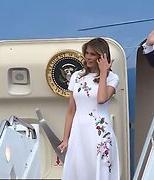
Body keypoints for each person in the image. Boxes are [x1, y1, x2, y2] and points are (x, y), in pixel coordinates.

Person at [58, 37, 120, 180]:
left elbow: (101, 99)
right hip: (79, 133)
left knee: (98, 170)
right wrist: (66, 139)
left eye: (92, 54)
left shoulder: (112, 78)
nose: (87, 57)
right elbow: (71, 110)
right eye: (86, 53)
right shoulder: (76, 76)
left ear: (102, 56)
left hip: (100, 134)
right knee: (79, 170)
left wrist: (104, 73)